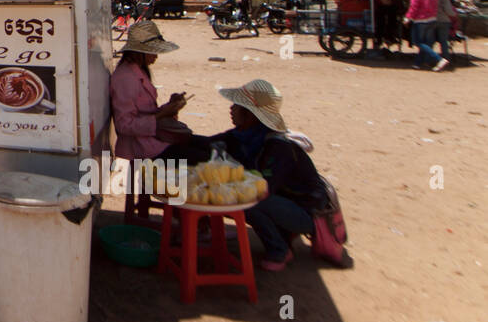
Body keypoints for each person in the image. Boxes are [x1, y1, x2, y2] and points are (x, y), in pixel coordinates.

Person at [206, 79, 345, 270]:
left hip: (306, 213)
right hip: (285, 202)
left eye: (237, 106)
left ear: (252, 114)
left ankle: (280, 250)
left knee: (250, 201)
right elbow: (208, 143)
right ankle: (283, 235)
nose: (231, 109)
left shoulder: (279, 147)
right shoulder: (245, 135)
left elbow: (264, 189)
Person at [110, 21, 209, 169]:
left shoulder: (137, 71)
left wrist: (170, 106)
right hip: (143, 146)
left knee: (210, 145)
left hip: (153, 140)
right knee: (205, 156)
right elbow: (124, 125)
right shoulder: (126, 77)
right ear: (140, 52)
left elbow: (146, 111)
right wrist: (162, 115)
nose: (156, 56)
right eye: (153, 51)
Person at [403, 0, 446, 71]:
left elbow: (414, 6)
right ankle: (418, 63)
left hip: (420, 20)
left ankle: (439, 59)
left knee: (418, 42)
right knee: (426, 43)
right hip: (432, 19)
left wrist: (408, 18)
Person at [433, 0, 458, 67]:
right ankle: (446, 59)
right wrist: (454, 15)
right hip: (443, 21)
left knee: (429, 41)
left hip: (430, 20)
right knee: (443, 41)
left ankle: (428, 59)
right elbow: (449, 11)